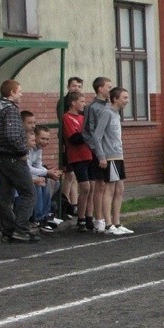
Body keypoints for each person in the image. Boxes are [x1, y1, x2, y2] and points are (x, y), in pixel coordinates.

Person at [0, 80, 39, 242]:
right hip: (14, 158)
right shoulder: (10, 111)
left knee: (6, 197)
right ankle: (20, 229)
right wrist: (22, 151)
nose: (21, 94)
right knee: (29, 194)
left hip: (0, 157)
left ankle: (8, 230)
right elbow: (12, 135)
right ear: (12, 92)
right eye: (19, 91)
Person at [91, 86, 133, 235]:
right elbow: (97, 136)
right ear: (115, 99)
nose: (127, 101)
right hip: (110, 157)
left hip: (118, 156)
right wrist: (101, 156)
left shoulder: (116, 115)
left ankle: (117, 222)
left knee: (120, 190)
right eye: (125, 98)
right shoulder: (106, 113)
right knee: (109, 189)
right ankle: (108, 225)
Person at [83, 77, 113, 233]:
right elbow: (88, 132)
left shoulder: (110, 106)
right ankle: (99, 219)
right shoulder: (92, 107)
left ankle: (110, 219)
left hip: (111, 151)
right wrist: (98, 151)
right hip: (99, 151)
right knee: (99, 185)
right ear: (100, 89)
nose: (110, 89)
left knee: (110, 185)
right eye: (108, 86)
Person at [62, 91, 95, 232]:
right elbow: (75, 139)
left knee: (91, 187)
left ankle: (89, 217)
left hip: (89, 155)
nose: (84, 104)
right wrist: (89, 133)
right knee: (85, 187)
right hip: (77, 157)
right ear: (73, 103)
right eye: (81, 101)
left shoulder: (82, 118)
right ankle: (80, 218)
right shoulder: (67, 117)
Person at [28, 125, 64, 233]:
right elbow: (28, 169)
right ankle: (38, 218)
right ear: (35, 137)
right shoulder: (28, 149)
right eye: (42, 138)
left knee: (52, 181)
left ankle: (45, 214)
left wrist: (49, 173)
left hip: (32, 175)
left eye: (47, 139)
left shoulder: (38, 149)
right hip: (25, 176)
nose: (45, 141)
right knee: (40, 183)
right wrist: (46, 172)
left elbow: (38, 165)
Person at [59, 76, 83, 218]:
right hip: (68, 143)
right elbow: (63, 124)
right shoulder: (63, 103)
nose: (76, 88)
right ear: (68, 87)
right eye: (74, 86)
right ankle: (64, 202)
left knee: (74, 176)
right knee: (69, 174)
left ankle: (73, 205)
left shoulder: (81, 105)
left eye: (79, 86)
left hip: (79, 144)